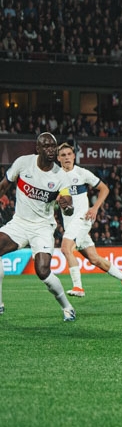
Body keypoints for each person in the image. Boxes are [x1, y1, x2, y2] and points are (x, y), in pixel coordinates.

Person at [0, 132, 78, 321]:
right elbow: (3, 186)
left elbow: (68, 205)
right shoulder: (23, 163)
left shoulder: (61, 176)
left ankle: (67, 307)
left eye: (53, 146)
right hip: (19, 223)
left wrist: (67, 208)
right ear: (38, 148)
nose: (51, 150)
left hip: (42, 227)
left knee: (42, 271)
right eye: (47, 146)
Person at [56, 141, 122, 297]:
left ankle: (78, 287)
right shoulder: (55, 177)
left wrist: (95, 208)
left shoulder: (82, 173)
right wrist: (57, 199)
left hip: (83, 218)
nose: (67, 157)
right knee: (94, 259)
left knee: (65, 248)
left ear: (74, 156)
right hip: (70, 222)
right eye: (63, 155)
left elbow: (104, 189)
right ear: (58, 158)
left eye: (69, 154)